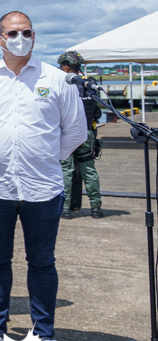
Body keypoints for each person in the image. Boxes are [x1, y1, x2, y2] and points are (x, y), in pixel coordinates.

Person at [0, 11, 86, 341]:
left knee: (42, 263)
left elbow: (75, 130)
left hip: (42, 187)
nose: (20, 38)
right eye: (12, 33)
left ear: (34, 36)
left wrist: (45, 157)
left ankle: (44, 336)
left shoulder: (58, 79)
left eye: (26, 32)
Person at [57, 51, 103, 219]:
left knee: (65, 171)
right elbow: (97, 113)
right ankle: (96, 207)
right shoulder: (90, 84)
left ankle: (65, 208)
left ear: (65, 66)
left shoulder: (62, 84)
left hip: (66, 135)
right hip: (87, 134)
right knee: (89, 170)